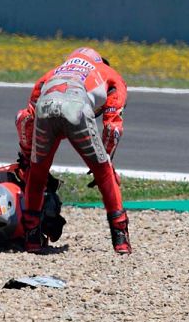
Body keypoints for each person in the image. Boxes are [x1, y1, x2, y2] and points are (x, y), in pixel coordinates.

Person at [15, 47, 130, 254]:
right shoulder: (110, 75)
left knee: (37, 172)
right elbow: (113, 129)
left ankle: (31, 238)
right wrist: (106, 158)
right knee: (105, 174)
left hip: (45, 108)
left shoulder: (52, 73)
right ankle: (121, 239)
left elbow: (24, 119)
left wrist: (26, 155)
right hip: (77, 110)